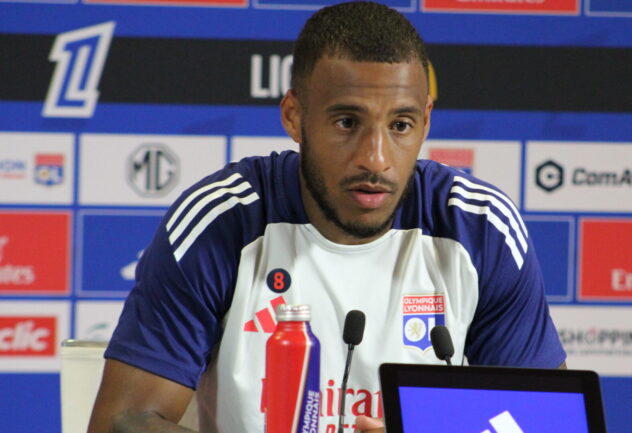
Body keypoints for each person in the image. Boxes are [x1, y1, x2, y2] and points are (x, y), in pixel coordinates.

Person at [87, 2, 566, 432]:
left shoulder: (477, 226)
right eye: (346, 123)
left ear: (426, 120)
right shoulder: (221, 222)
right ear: (294, 116)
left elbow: (546, 422)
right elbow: (123, 423)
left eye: (400, 125)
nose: (376, 160)